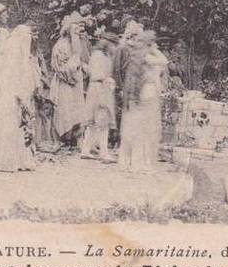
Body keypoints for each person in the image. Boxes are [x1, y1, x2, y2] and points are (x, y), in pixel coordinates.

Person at [0, 24, 39, 172]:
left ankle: (22, 159)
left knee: (20, 126)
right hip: (10, 96)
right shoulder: (13, 58)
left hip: (13, 94)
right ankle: (8, 161)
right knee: (10, 126)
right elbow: (13, 79)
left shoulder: (19, 57)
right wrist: (21, 95)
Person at [118, 31, 166, 172]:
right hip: (146, 95)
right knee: (143, 131)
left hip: (140, 95)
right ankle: (139, 163)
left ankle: (129, 161)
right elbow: (164, 60)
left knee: (134, 129)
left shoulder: (137, 56)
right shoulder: (146, 57)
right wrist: (154, 49)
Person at [49, 13, 90, 144]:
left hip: (75, 81)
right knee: (65, 109)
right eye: (76, 29)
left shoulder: (76, 44)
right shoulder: (61, 45)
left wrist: (82, 67)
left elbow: (80, 59)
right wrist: (75, 65)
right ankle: (64, 138)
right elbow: (60, 67)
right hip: (65, 82)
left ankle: (76, 137)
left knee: (77, 108)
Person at [81, 34, 117, 162]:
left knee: (94, 122)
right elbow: (97, 74)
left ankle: (85, 149)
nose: (115, 47)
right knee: (102, 121)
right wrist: (108, 80)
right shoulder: (99, 56)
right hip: (100, 88)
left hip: (98, 88)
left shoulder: (103, 56)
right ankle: (104, 153)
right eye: (113, 44)